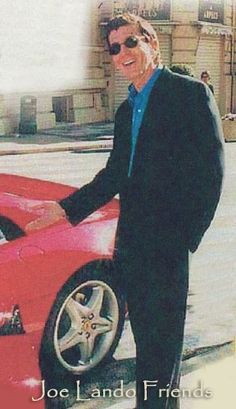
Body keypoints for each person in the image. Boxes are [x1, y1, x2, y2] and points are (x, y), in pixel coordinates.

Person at [25, 13, 224, 409]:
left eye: (130, 42)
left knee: (162, 356)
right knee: (148, 354)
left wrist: (185, 237)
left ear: (151, 43)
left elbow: (211, 172)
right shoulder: (124, 111)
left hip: (166, 251)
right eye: (115, 48)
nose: (123, 53)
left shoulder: (187, 94)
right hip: (130, 248)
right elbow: (115, 174)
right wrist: (64, 209)